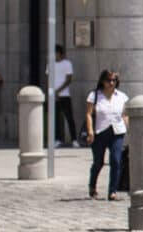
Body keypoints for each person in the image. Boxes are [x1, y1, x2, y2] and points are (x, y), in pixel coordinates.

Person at [85, 69, 130, 200]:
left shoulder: (122, 96)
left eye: (114, 80)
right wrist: (90, 131)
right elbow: (88, 114)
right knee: (98, 162)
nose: (111, 83)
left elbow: (124, 115)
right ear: (102, 81)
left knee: (116, 161)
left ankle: (113, 191)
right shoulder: (94, 96)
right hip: (99, 132)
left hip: (117, 131)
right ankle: (92, 186)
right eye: (108, 80)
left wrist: (127, 129)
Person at [49, 45, 79, 147]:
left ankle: (74, 139)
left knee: (69, 117)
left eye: (56, 53)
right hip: (54, 95)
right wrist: (52, 92)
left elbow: (69, 79)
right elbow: (49, 79)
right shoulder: (50, 64)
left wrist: (59, 90)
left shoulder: (67, 64)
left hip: (65, 94)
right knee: (55, 118)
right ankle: (57, 139)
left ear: (60, 53)